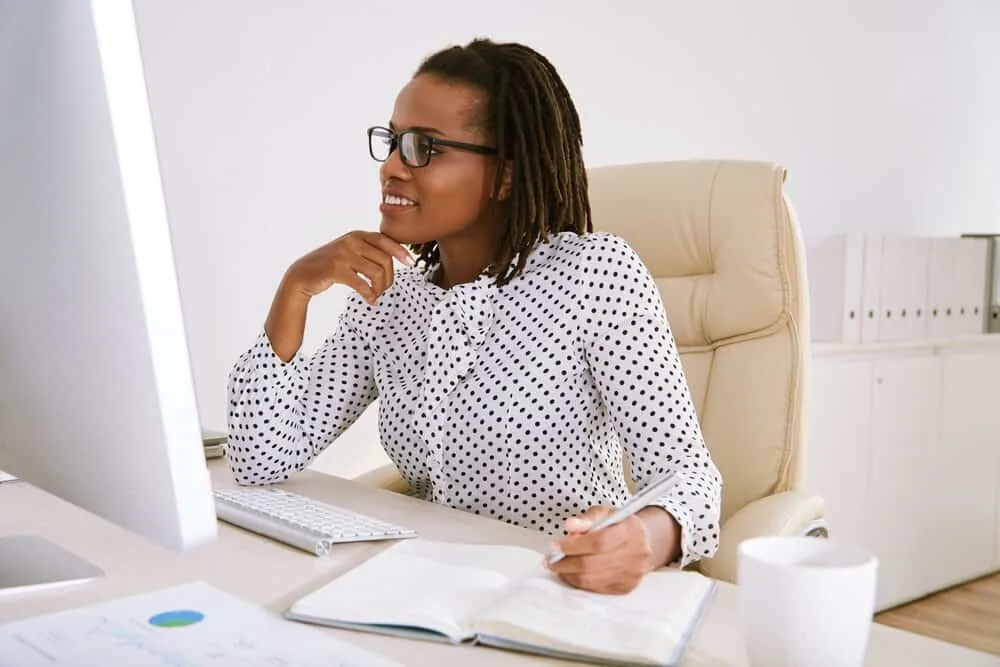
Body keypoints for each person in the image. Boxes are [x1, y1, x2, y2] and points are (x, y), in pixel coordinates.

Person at [226, 38, 722, 595]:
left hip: (561, 589)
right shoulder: (391, 295)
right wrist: (294, 289)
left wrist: (646, 538)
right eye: (392, 142)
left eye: (424, 148)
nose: (391, 167)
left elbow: (691, 480)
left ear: (505, 176)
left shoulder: (593, 272)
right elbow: (259, 458)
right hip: (429, 589)